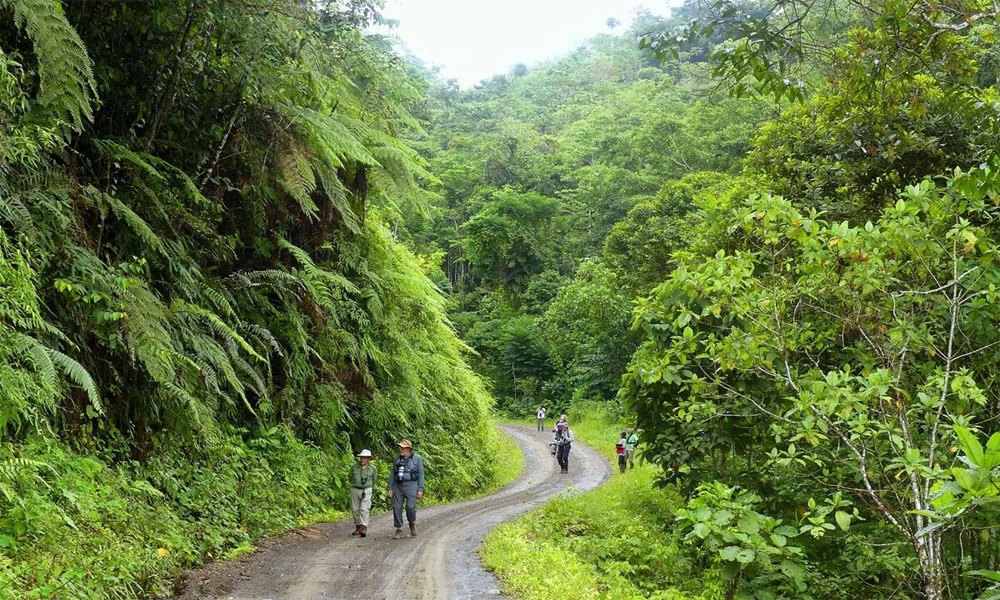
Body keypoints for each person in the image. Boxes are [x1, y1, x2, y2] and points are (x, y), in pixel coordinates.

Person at [388, 439, 424, 539]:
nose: (400, 449)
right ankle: (399, 528)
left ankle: (412, 523)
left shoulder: (417, 459)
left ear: (408, 449)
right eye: (400, 447)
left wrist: (420, 489)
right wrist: (390, 487)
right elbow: (393, 473)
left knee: (411, 507)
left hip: (412, 485)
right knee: (396, 507)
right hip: (398, 486)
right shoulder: (397, 459)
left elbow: (421, 474)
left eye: (403, 448)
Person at [349, 449, 376, 537]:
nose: (362, 460)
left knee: (364, 509)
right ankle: (358, 526)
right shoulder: (354, 467)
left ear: (368, 459)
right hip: (355, 489)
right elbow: (350, 477)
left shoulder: (373, 468)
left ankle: (364, 527)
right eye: (361, 458)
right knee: (355, 509)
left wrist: (370, 487)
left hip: (367, 489)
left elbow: (374, 480)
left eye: (364, 458)